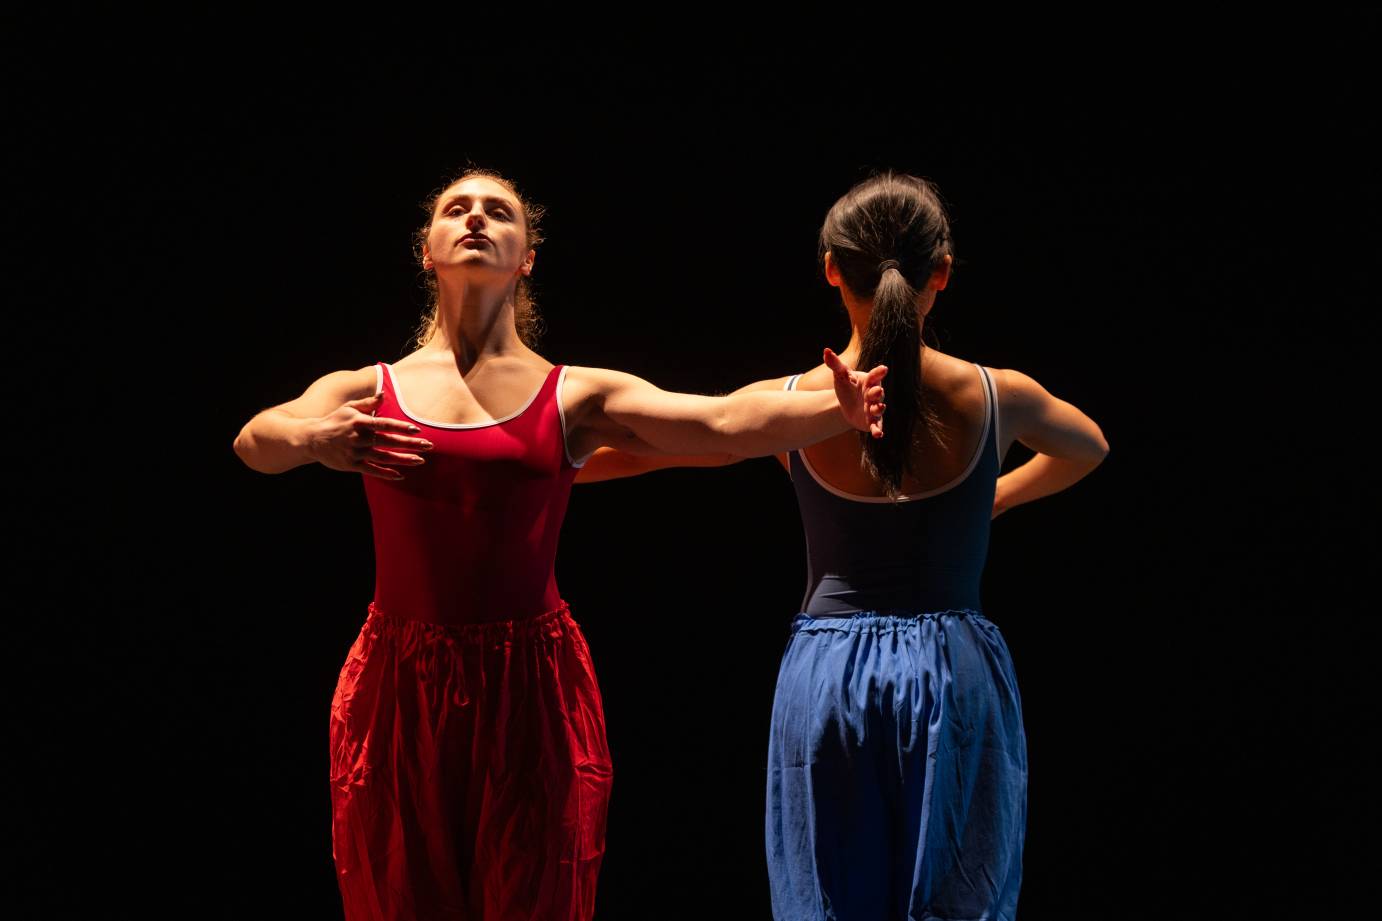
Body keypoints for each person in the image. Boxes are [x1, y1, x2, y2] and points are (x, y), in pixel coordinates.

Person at [230, 168, 888, 921]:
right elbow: (257, 439)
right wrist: (318, 438)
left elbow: (716, 427)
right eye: (457, 209)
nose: (476, 219)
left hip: (530, 687)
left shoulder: (574, 394)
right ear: (427, 250)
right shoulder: (370, 389)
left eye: (499, 212)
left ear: (526, 256)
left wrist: (830, 411)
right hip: (398, 685)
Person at [578, 171, 1109, 920]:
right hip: (953, 674)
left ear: (832, 268)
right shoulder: (999, 395)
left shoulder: (791, 403)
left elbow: (662, 446)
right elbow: (1090, 445)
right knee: (960, 897)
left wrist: (542, 465)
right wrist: (992, 497)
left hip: (828, 677)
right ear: (941, 275)